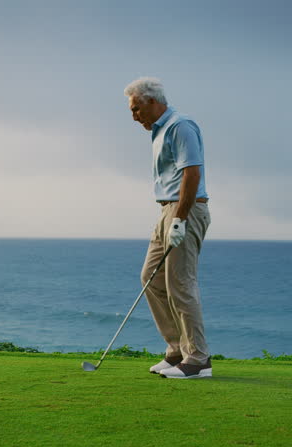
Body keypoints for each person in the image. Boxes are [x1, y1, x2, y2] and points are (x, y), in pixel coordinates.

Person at [124, 77, 212, 379]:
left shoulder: (180, 125)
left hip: (185, 208)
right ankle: (177, 351)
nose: (134, 117)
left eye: (137, 109)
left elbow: (192, 174)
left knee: (181, 284)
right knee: (151, 276)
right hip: (166, 209)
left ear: (151, 101)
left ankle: (198, 360)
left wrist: (180, 218)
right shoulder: (160, 131)